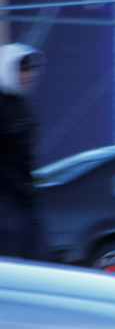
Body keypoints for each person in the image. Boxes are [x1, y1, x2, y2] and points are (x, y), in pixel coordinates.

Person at [0, 43, 49, 260]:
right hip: (6, 204)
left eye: (30, 69)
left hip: (25, 201)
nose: (28, 75)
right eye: (23, 69)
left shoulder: (20, 104)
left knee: (36, 262)